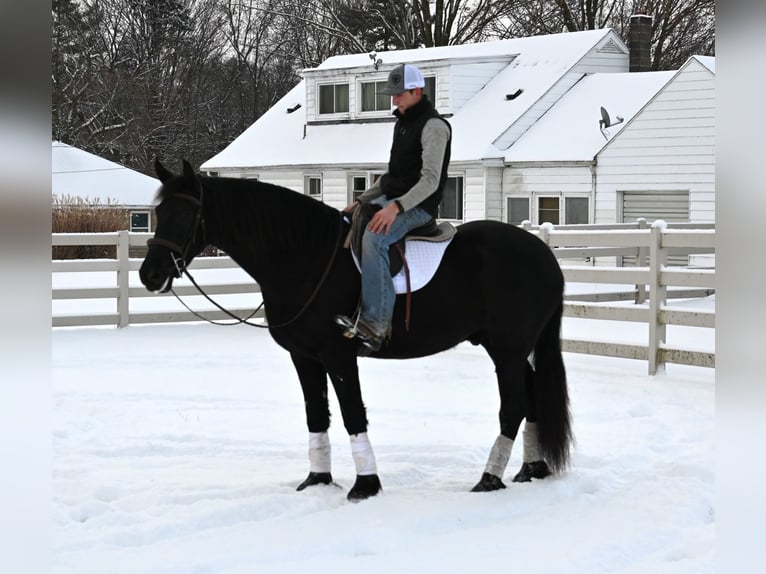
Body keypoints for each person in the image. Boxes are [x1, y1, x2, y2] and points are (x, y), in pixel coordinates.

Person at [336, 63, 452, 354]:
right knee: (350, 223)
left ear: (416, 91)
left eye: (399, 94)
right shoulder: (402, 123)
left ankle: (375, 325)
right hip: (394, 200)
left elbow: (430, 181)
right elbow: (391, 177)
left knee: (375, 238)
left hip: (418, 207)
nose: (394, 100)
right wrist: (363, 200)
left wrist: (395, 208)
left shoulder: (434, 127)